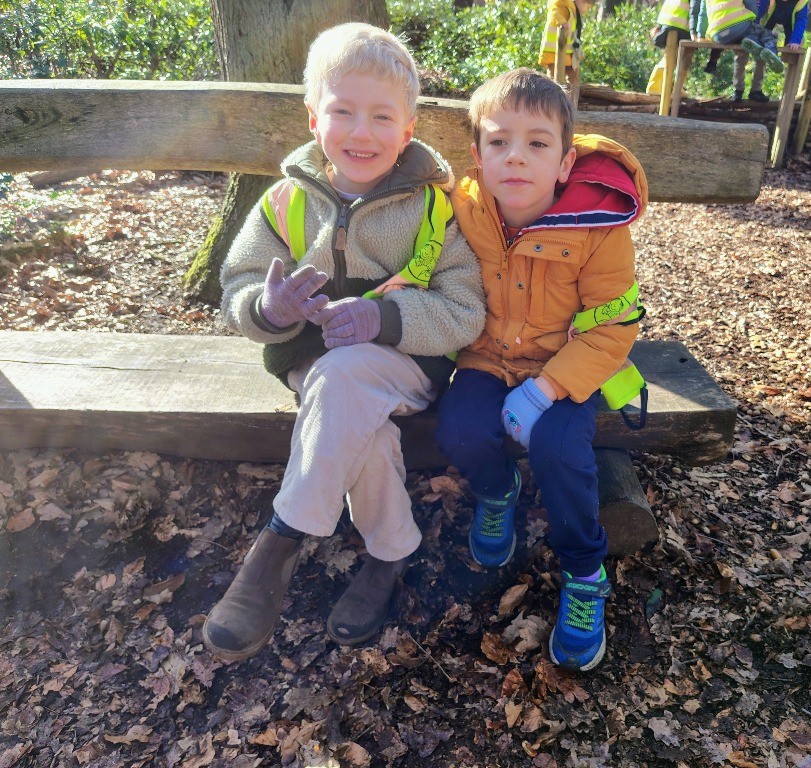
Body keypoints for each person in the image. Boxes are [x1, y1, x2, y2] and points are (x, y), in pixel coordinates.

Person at [203, 22, 486, 662]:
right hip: (311, 364)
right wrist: (269, 309)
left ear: (408, 130)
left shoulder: (434, 210)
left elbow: (465, 310)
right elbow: (238, 286)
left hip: (406, 368)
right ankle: (392, 553)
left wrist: (385, 320)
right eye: (343, 112)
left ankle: (281, 538)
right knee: (362, 423)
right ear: (314, 118)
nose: (362, 132)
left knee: (348, 376)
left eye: (382, 116)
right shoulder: (284, 201)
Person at [436, 68, 648, 672]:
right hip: (486, 356)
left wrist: (546, 389)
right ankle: (497, 489)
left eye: (536, 143)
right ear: (477, 156)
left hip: (567, 365)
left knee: (559, 450)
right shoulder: (462, 208)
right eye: (499, 142)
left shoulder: (598, 228)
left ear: (564, 162)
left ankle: (584, 570)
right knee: (459, 429)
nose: (516, 157)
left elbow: (613, 325)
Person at [699, 0, 785, 101]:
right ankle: (746, 90)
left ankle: (745, 91)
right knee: (751, 51)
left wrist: (699, 34)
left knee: (750, 54)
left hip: (718, 32)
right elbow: (752, 7)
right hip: (744, 24)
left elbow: (702, 13)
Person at [734, 0, 809, 102]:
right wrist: (750, 32)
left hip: (790, 20)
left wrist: (795, 40)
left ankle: (757, 91)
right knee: (747, 50)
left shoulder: (802, 2)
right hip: (767, 18)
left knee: (789, 53)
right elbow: (757, 12)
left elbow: (801, 20)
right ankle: (738, 90)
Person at [538, 0, 595, 102]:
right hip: (554, 53)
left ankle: (573, 101)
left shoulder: (573, 11)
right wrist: (562, 22)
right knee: (553, 79)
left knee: (574, 77)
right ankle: (551, 102)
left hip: (568, 54)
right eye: (587, 8)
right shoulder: (563, 5)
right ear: (580, 1)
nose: (586, 11)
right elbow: (554, 13)